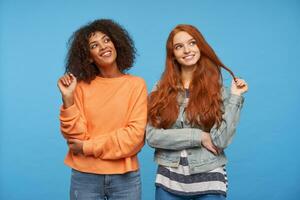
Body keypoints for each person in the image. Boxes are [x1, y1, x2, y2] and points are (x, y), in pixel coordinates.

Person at [146, 24, 248, 200]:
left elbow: (221, 141)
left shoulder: (219, 91)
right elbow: (152, 137)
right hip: (169, 180)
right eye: (179, 47)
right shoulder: (160, 90)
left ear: (200, 46)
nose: (187, 50)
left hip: (210, 178)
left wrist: (235, 97)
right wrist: (198, 136)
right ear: (173, 55)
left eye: (192, 43)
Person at [57, 19, 147, 200]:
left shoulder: (136, 85)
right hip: (84, 177)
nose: (103, 47)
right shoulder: (80, 87)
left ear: (116, 43)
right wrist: (68, 99)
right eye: (94, 45)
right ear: (89, 56)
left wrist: (87, 147)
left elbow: (134, 137)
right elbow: (75, 137)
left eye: (106, 40)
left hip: (125, 178)